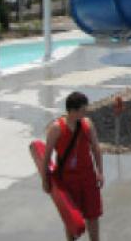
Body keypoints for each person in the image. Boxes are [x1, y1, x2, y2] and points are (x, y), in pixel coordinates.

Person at [42, 92, 104, 241]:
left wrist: (99, 172)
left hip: (88, 176)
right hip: (67, 180)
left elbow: (96, 148)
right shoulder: (56, 128)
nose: (86, 112)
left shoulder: (87, 124)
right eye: (83, 110)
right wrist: (45, 180)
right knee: (71, 219)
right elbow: (46, 156)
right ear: (73, 110)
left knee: (93, 215)